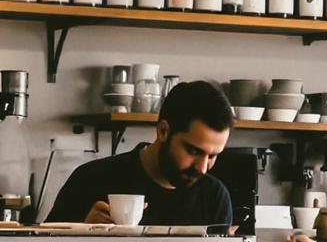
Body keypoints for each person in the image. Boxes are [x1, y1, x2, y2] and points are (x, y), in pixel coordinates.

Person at [45, 80, 235, 227]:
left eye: (212, 156)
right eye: (193, 151)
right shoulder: (91, 179)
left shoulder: (214, 197)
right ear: (163, 131)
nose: (202, 168)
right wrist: (81, 234)